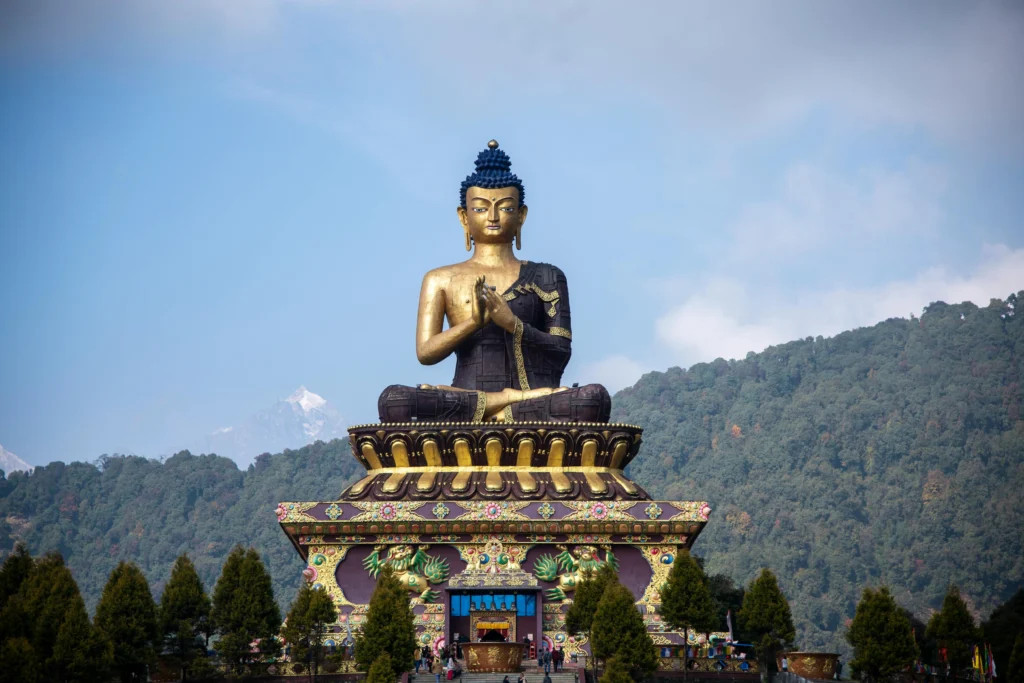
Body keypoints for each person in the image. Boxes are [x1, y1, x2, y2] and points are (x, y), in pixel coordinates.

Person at [377, 140, 612, 424]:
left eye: (505, 208)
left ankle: (507, 406)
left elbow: (561, 350)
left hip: (533, 399)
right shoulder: (440, 279)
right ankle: (505, 402)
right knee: (395, 401)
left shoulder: (548, 276)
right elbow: (425, 353)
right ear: (464, 217)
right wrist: (473, 324)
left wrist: (512, 324)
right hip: (466, 398)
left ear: (521, 216)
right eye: (480, 208)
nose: (492, 217)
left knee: (592, 399)